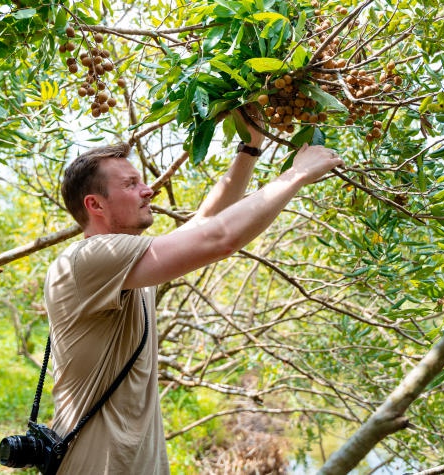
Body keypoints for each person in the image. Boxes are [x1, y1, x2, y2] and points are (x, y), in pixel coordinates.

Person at [43, 111, 343, 474]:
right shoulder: (89, 259)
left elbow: (205, 221)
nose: (147, 189)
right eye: (130, 184)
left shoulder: (124, 269)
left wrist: (250, 147)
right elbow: (217, 237)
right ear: (95, 205)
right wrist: (296, 174)